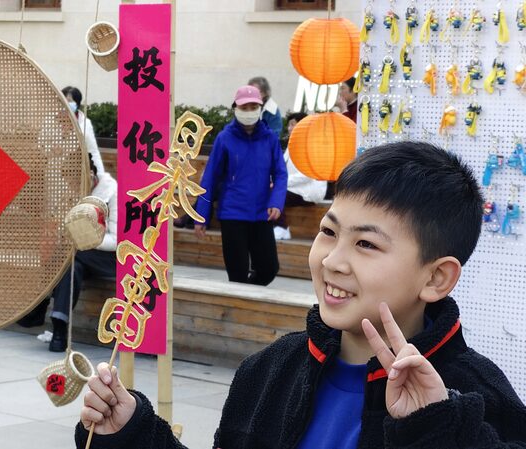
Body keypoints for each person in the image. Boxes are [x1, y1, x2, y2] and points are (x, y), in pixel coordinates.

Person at [76, 141, 526, 448]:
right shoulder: (269, 371)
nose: (333, 260)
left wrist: (436, 428)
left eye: (366, 244)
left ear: (437, 279)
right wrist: (131, 431)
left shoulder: (474, 394)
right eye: (329, 232)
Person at [19, 155, 118, 352]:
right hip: (81, 257)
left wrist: (84, 241)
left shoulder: (113, 192)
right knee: (71, 266)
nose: (74, 187)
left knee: (70, 255)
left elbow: (117, 241)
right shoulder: (74, 194)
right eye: (71, 183)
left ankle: (41, 303)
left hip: (113, 257)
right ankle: (59, 329)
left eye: (77, 182)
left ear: (90, 174)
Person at [193, 85, 287, 285]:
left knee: (269, 268)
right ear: (235, 108)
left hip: (262, 213)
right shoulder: (224, 138)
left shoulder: (270, 138)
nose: (249, 112)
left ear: (261, 109)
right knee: (237, 273)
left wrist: (276, 202)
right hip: (232, 214)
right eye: (244, 107)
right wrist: (200, 216)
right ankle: (240, 305)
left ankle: (248, 294)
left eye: (254, 107)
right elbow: (209, 177)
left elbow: (280, 173)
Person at [274, 111, 328, 240]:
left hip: (308, 190)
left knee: (276, 193)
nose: (289, 128)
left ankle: (282, 228)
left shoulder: (312, 145)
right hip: (293, 187)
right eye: (289, 125)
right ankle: (275, 227)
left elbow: (307, 174)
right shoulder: (291, 144)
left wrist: (281, 183)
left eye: (293, 124)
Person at [62, 86, 106, 178]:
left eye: (70, 101)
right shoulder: (50, 121)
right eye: (63, 100)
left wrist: (100, 174)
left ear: (77, 103)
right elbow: (42, 146)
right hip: (56, 172)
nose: (66, 104)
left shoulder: (85, 123)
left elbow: (93, 150)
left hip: (77, 172)